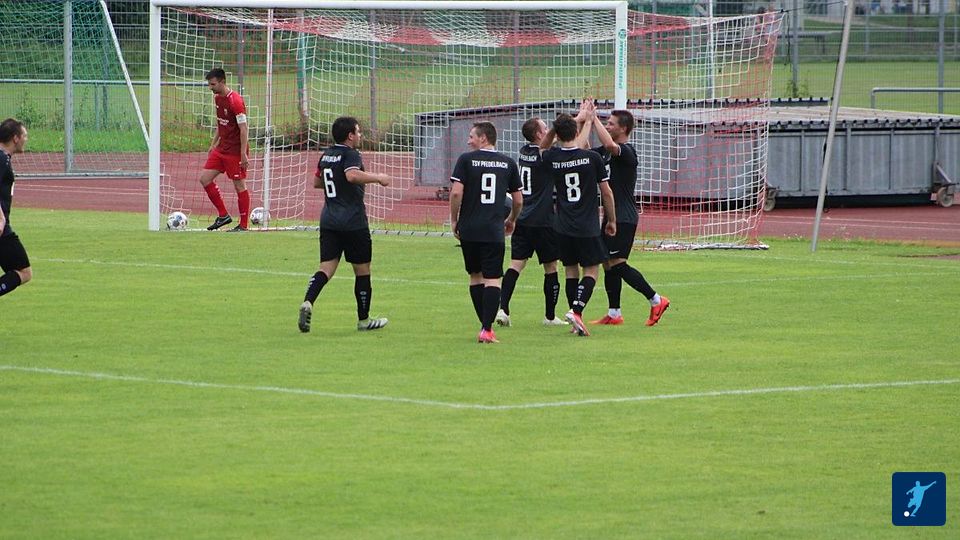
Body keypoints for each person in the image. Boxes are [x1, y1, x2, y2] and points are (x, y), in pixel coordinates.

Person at [298, 117, 391, 333]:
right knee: (362, 270)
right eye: (358, 132)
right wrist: (378, 177)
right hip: (353, 221)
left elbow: (317, 182)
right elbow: (351, 175)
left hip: (329, 220)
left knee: (326, 268)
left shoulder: (326, 155)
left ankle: (308, 302)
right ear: (350, 136)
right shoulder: (351, 154)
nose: (360, 135)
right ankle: (364, 320)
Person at [585, 102, 670, 327]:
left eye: (611, 124)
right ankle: (614, 313)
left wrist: (594, 119)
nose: (607, 126)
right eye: (606, 123)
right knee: (607, 263)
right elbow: (584, 151)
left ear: (623, 128)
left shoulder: (627, 152)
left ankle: (656, 299)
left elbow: (610, 145)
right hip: (611, 215)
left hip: (623, 216)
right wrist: (585, 121)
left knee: (618, 263)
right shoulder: (604, 153)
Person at [542, 111, 616, 337]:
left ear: (557, 134)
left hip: (562, 225)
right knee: (592, 270)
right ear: (576, 131)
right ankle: (576, 311)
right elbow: (606, 192)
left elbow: (542, 147)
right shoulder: (591, 158)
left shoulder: (553, 157)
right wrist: (612, 219)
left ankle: (575, 320)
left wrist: (561, 125)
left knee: (570, 270)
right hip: (586, 225)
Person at [449, 121, 523, 343]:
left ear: (483, 138)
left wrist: (454, 219)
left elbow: (456, 193)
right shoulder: (508, 162)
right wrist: (511, 219)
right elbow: (518, 200)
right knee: (492, 278)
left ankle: (485, 325)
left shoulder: (465, 160)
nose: (468, 141)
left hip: (469, 228)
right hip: (493, 229)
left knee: (475, 276)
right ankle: (486, 328)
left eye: (471, 136)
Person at [494, 117, 568, 328]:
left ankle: (503, 309)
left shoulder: (524, 151)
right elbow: (554, 144)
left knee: (516, 265)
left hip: (522, 219)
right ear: (538, 134)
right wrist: (570, 124)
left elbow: (550, 142)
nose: (548, 130)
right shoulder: (544, 156)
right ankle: (550, 316)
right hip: (543, 220)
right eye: (545, 127)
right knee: (551, 267)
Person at [199, 67, 251, 232]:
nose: (210, 87)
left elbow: (243, 129)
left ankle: (243, 225)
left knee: (239, 186)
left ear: (222, 82)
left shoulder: (235, 101)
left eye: (213, 84)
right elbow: (221, 122)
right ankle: (223, 215)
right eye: (209, 84)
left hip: (235, 152)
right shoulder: (217, 98)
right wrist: (213, 143)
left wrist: (243, 154)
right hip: (221, 149)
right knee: (205, 179)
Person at [0, 118, 32, 299]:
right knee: (24, 272)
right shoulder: (1, 159)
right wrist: (1, 217)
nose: (26, 139)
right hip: (2, 228)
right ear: (15, 138)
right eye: (24, 135)